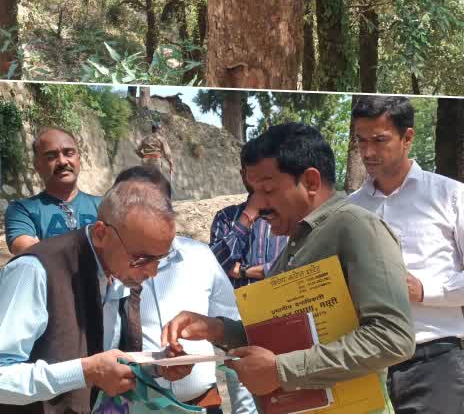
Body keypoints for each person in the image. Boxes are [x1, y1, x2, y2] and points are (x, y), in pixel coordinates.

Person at [159, 123, 415, 403]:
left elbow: (393, 338)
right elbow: (283, 336)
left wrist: (282, 371)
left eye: (268, 190)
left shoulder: (357, 228)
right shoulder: (298, 240)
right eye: (254, 191)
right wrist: (217, 329)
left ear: (311, 182)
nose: (258, 202)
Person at [0, 175, 183, 413]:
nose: (153, 272)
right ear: (102, 234)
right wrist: (85, 372)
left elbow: (105, 356)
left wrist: (157, 363)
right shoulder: (34, 271)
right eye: (142, 258)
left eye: (160, 258)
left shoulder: (123, 273)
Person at [347, 96, 464, 414]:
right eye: (361, 141)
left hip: (433, 362)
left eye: (379, 140)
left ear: (407, 138)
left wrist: (423, 290)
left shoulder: (451, 196)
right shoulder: (350, 208)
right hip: (363, 362)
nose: (368, 152)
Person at [111, 167, 256, 414]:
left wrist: (245, 411)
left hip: (202, 406)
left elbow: (234, 335)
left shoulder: (200, 257)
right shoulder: (102, 271)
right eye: (133, 204)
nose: (145, 213)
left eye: (155, 205)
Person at [4, 128, 102, 255]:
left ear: (79, 159)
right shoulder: (22, 210)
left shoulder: (104, 205)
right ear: (37, 166)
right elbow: (27, 250)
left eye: (69, 153)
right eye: (51, 156)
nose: (62, 161)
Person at [209, 140, 287, 289]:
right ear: (243, 175)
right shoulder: (225, 218)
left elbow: (298, 266)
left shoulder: (291, 217)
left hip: (285, 307)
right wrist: (246, 219)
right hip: (237, 310)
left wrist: (245, 271)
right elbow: (215, 265)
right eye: (254, 175)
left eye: (267, 175)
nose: (261, 183)